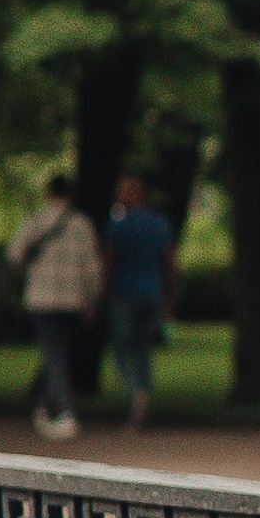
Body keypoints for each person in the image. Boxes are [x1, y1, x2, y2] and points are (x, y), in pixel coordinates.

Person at [8, 176, 102, 441]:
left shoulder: (36, 221)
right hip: (73, 300)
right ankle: (50, 409)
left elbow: (15, 255)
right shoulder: (82, 224)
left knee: (54, 354)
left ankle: (62, 411)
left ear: (48, 192)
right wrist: (92, 300)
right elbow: (92, 268)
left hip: (42, 298)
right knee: (60, 354)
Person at [103, 174, 177, 431]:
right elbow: (170, 263)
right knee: (143, 349)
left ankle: (136, 394)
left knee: (123, 348)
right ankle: (143, 393)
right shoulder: (159, 224)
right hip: (153, 292)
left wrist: (102, 293)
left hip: (125, 293)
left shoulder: (118, 225)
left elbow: (109, 262)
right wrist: (171, 297)